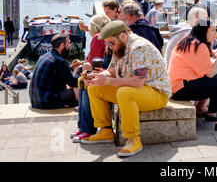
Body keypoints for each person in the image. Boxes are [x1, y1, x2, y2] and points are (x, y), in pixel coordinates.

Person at [80, 21, 172, 158]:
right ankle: (105, 130)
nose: (109, 47)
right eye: (108, 44)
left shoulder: (140, 48)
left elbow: (137, 82)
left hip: (157, 92)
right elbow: (111, 70)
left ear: (123, 35)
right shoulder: (120, 46)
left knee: (124, 92)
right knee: (94, 87)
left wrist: (106, 80)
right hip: (137, 89)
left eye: (111, 43)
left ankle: (134, 139)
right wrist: (98, 76)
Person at [168, 19, 217, 131]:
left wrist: (215, 53)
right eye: (213, 30)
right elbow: (210, 73)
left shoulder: (189, 40)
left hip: (177, 87)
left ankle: (212, 113)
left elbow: (202, 61)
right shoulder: (199, 45)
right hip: (182, 88)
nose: (216, 34)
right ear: (203, 30)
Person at [71, 14, 111, 143]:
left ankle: (86, 128)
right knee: (82, 85)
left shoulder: (96, 38)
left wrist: (86, 66)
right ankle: (84, 128)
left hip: (100, 74)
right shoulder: (104, 37)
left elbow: (92, 59)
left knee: (84, 85)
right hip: (104, 72)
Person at [29, 34, 79, 109]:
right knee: (79, 90)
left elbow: (59, 74)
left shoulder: (44, 57)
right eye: (69, 43)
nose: (70, 46)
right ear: (62, 45)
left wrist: (70, 68)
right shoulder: (60, 61)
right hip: (47, 102)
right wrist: (77, 71)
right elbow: (73, 83)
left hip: (35, 101)